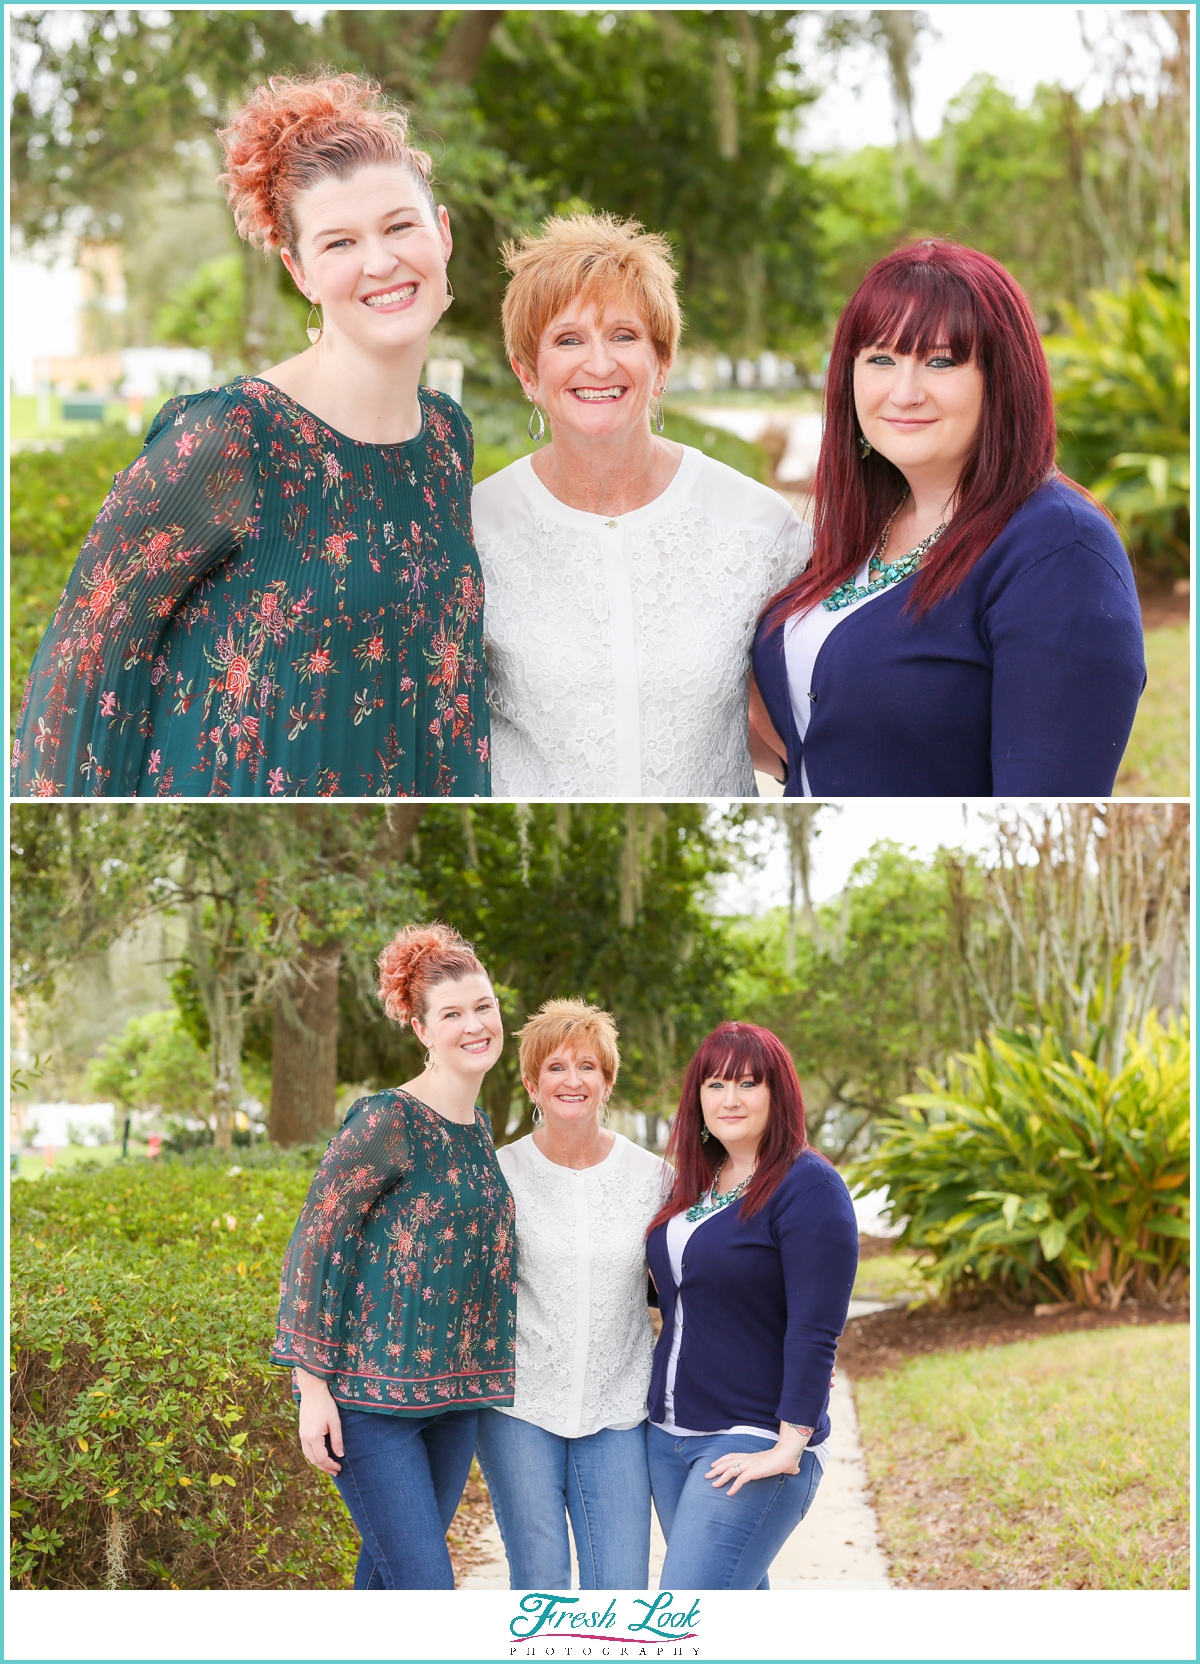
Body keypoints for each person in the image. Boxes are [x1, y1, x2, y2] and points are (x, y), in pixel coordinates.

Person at [12, 74, 488, 798]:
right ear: (299, 271)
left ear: (443, 233)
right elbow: (85, 663)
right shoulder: (232, 438)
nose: (381, 262)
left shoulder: (448, 440)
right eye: (340, 242)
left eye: (400, 226)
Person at [749, 239, 1145, 797]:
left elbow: (1045, 797)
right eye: (881, 359)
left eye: (941, 361)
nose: (905, 392)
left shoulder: (1060, 551)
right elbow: (815, 742)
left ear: (1003, 378)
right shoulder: (866, 526)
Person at [472, 213, 809, 797]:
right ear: (527, 373)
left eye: (624, 336)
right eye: (568, 339)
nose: (599, 364)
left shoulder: (758, 526)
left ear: (662, 365)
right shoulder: (474, 528)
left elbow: (794, 720)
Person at [270, 923, 515, 1589]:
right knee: (426, 1590)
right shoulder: (386, 1122)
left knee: (388, 1585)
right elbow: (315, 1246)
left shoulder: (478, 1130)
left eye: (484, 1006)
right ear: (422, 1030)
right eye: (453, 1014)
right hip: (370, 1408)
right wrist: (310, 1388)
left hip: (451, 1403)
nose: (475, 1024)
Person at [644, 1021, 858, 1590]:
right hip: (668, 1436)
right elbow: (679, 1291)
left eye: (747, 1084)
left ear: (777, 1093)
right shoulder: (696, 1183)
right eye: (715, 1085)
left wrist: (790, 1445)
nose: (730, 1099)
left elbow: (816, 1330)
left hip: (754, 1438)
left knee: (684, 1614)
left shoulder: (808, 1186)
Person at [475, 1000, 669, 1588]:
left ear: (607, 1081)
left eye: (588, 1066)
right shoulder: (498, 1172)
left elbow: (693, 1284)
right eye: (555, 1067)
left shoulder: (653, 1178)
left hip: (618, 1410)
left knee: (621, 1589)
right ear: (532, 1082)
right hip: (519, 1411)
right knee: (540, 1585)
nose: (573, 1080)